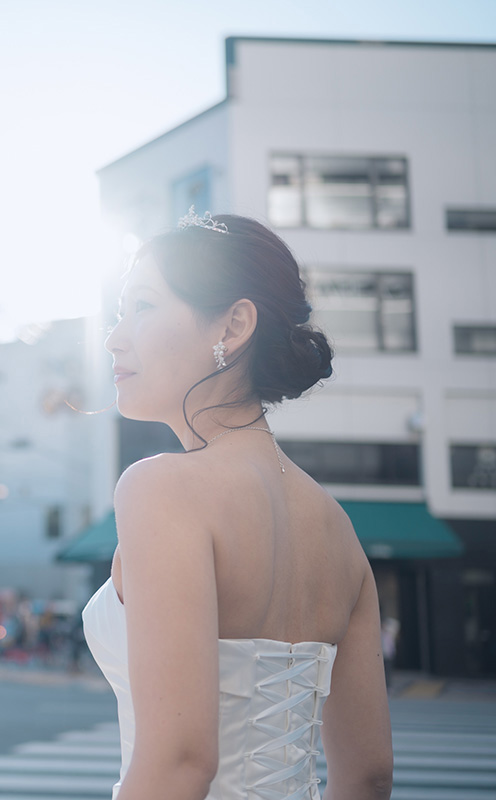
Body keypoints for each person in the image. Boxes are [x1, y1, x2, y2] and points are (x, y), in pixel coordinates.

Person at [84, 209, 393, 800]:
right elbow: (369, 774)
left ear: (232, 326)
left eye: (142, 306)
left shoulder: (162, 488)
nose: (113, 336)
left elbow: (179, 763)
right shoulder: (338, 528)